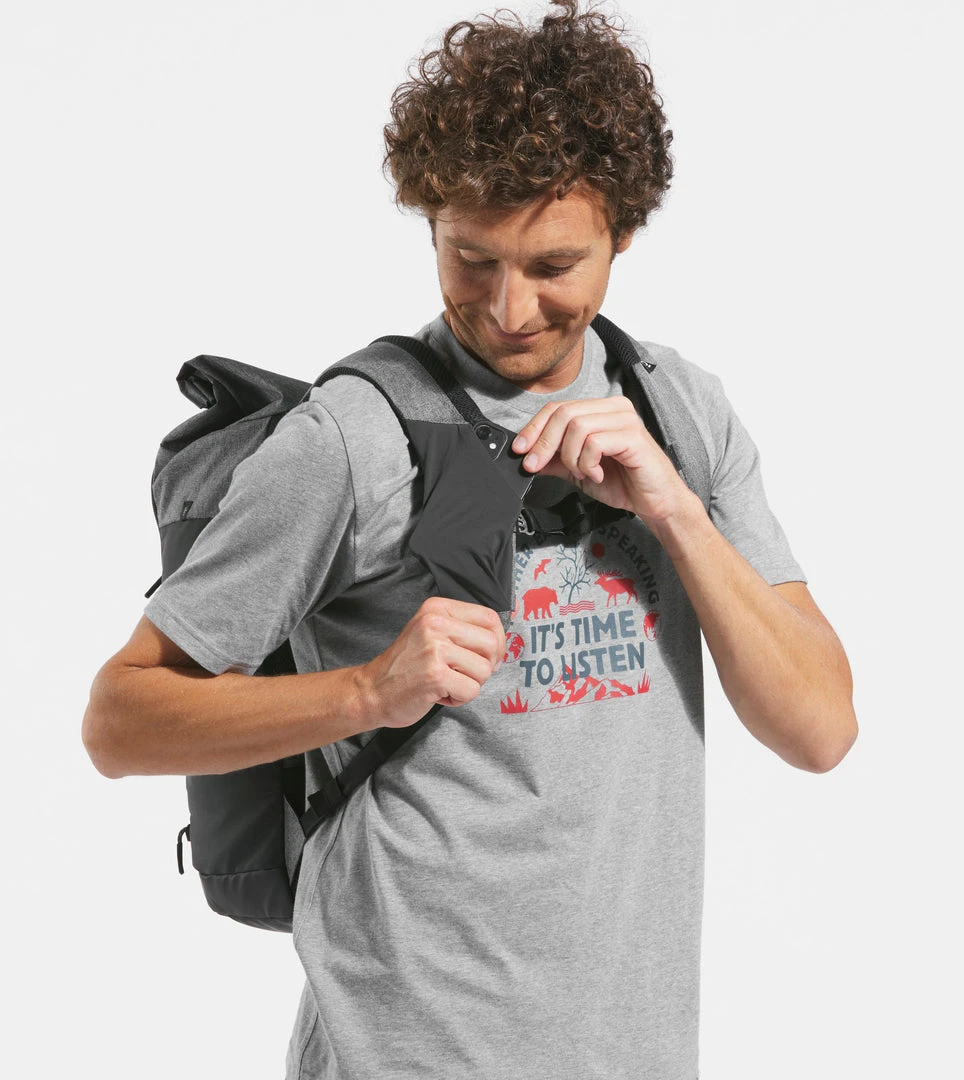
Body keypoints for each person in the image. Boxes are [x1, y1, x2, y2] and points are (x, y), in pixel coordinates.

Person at [83, 1, 857, 1076]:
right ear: (431, 224)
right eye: (469, 257)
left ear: (624, 232)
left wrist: (676, 510)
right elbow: (118, 720)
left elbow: (820, 729)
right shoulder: (353, 442)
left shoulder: (679, 412)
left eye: (554, 265)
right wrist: (367, 692)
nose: (507, 309)